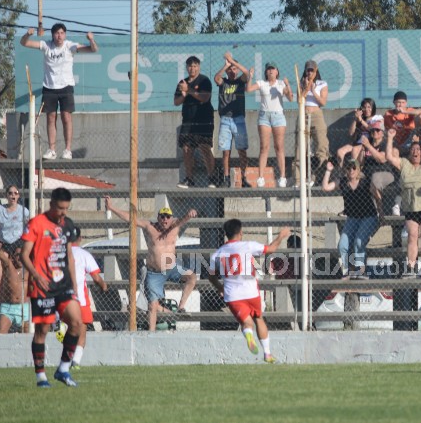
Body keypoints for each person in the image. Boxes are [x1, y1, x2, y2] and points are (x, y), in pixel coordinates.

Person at [105, 198, 198, 331]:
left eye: (167, 217)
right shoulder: (150, 227)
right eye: (162, 217)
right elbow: (130, 218)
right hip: (154, 272)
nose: (165, 220)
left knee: (192, 277)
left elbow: (185, 218)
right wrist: (112, 208)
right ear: (158, 218)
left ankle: (181, 307)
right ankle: (151, 333)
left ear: (172, 219)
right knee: (152, 306)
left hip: (172, 268)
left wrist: (190, 213)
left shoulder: (175, 226)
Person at [20, 187, 80, 387]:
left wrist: (75, 285)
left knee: (76, 323)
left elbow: (69, 256)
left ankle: (63, 369)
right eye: (60, 208)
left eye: (66, 208)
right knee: (42, 331)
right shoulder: (36, 223)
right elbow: (24, 254)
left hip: (63, 285)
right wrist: (36, 276)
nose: (63, 212)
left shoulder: (67, 225)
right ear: (51, 204)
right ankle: (41, 377)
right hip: (42, 286)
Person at [208, 219, 291, 363]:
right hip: (251, 291)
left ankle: (248, 335)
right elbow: (270, 249)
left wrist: (220, 288)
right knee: (259, 319)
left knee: (246, 323)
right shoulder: (248, 245)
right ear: (240, 233)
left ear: (226, 234)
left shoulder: (217, 254)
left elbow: (211, 276)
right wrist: (281, 236)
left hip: (232, 294)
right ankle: (267, 353)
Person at [20, 24, 98, 160]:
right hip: (49, 87)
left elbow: (93, 50)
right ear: (52, 35)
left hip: (66, 87)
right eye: (57, 33)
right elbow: (24, 43)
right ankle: (52, 149)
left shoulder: (70, 46)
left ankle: (68, 150)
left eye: (62, 33)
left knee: (66, 117)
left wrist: (91, 40)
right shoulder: (46, 45)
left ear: (65, 34)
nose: (59, 36)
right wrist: (28, 34)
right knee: (51, 118)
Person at [386, 127, 421, 277]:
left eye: (418, 149)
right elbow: (390, 157)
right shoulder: (404, 164)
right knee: (412, 236)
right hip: (410, 206)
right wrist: (390, 138)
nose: (415, 151)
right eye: (413, 149)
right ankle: (411, 268)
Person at [322, 160, 379, 278]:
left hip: (368, 217)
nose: (351, 170)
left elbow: (377, 196)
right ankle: (349, 269)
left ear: (358, 170)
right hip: (353, 218)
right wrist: (328, 171)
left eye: (354, 168)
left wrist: (381, 213)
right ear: (345, 170)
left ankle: (360, 270)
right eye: (348, 168)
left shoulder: (365, 182)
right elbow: (326, 187)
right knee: (342, 245)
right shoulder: (342, 182)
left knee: (358, 241)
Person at [246, 62, 293, 188]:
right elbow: (249, 89)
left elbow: (290, 97)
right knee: (264, 147)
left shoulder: (280, 84)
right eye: (269, 69)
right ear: (266, 72)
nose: (271, 71)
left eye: (273, 69)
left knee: (279, 147)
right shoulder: (262, 83)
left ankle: (282, 177)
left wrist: (287, 85)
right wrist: (250, 77)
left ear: (277, 72)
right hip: (264, 116)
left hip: (278, 116)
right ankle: (260, 177)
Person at [0, 185, 29, 312]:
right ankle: (2, 305)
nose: (13, 195)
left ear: (18, 196)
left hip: (18, 244)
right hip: (3, 244)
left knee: (20, 276)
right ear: (6, 195)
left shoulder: (23, 211)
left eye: (15, 193)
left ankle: (23, 303)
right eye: (10, 193)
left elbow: (31, 226)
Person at [174, 55, 216, 189]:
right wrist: (183, 94)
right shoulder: (182, 82)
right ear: (187, 67)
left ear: (199, 67)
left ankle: (212, 178)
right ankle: (189, 179)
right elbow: (176, 102)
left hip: (203, 119)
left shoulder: (204, 80)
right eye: (190, 66)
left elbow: (204, 97)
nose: (192, 68)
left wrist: (189, 90)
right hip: (187, 120)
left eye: (195, 66)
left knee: (205, 147)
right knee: (186, 149)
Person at [70, 226, 108, 369]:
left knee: (68, 327)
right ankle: (76, 362)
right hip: (80, 299)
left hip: (61, 299)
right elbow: (96, 277)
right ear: (80, 239)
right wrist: (103, 286)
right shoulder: (84, 255)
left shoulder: (59, 254)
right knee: (82, 333)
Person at [214, 51, 250, 188]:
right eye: (230, 69)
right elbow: (216, 78)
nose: (233, 71)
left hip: (239, 119)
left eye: (234, 69)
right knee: (226, 150)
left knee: (242, 150)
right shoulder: (223, 82)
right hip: (225, 119)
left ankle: (244, 178)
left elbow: (246, 74)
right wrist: (226, 65)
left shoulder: (240, 82)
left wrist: (233, 62)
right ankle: (226, 178)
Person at [294, 60, 330, 187]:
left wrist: (313, 91)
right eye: (307, 70)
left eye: (312, 70)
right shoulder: (301, 83)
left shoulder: (322, 84)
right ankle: (298, 180)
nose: (309, 73)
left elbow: (323, 102)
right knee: (300, 148)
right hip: (303, 114)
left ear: (316, 71)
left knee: (321, 145)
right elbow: (300, 99)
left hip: (316, 115)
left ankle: (318, 177)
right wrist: (306, 87)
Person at [359, 119, 396, 217]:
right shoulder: (368, 143)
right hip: (367, 172)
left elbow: (382, 159)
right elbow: (361, 162)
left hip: (384, 172)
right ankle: (349, 208)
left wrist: (368, 146)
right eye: (372, 130)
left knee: (375, 179)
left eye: (377, 130)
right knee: (351, 178)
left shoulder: (385, 143)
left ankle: (380, 211)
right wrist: (362, 150)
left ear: (383, 133)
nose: (374, 132)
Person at [0, 242, 29, 333]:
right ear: (12, 257)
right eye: (17, 255)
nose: (20, 257)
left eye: (22, 255)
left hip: (24, 308)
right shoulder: (8, 266)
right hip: (8, 308)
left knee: (28, 338)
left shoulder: (28, 270)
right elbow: (2, 257)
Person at [337, 98, 376, 167]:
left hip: (367, 145)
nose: (366, 109)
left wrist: (361, 120)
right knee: (340, 151)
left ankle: (354, 171)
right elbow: (351, 133)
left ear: (373, 108)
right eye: (364, 107)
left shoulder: (376, 119)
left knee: (356, 150)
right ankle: (342, 173)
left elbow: (371, 129)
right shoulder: (359, 120)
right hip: (356, 143)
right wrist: (356, 119)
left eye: (369, 107)